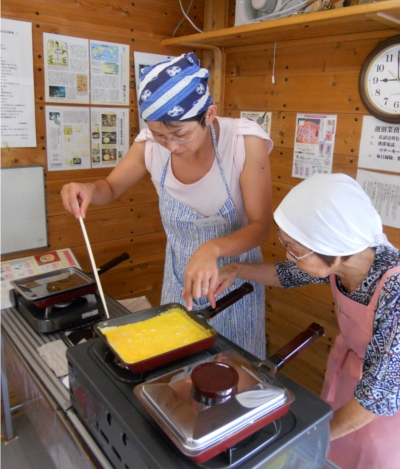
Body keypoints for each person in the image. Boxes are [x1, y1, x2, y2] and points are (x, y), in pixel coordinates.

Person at [61, 52, 273, 359]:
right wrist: (88, 189)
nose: (172, 147)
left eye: (180, 135)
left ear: (209, 114)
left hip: (234, 284)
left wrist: (212, 249)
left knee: (235, 374)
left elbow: (260, 227)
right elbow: (109, 188)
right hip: (178, 281)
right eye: (160, 136)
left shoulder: (243, 142)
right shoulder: (149, 144)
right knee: (178, 369)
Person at [214, 173, 400, 469]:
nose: (290, 257)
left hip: (384, 408)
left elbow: (375, 400)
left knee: (367, 457)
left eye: (295, 250)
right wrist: (236, 270)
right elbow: (286, 274)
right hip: (349, 373)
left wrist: (303, 437)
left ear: (336, 252)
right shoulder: (344, 260)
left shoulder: (395, 292)